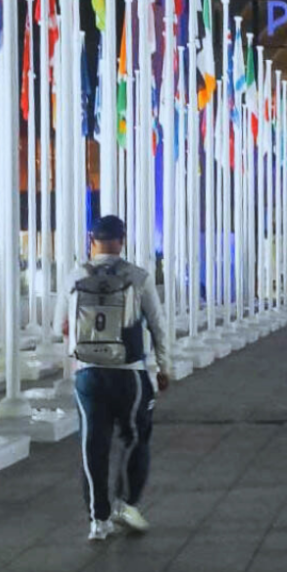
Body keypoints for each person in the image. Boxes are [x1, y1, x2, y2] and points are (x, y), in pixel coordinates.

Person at [53, 215, 171, 542]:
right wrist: (164, 367)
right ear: (122, 239)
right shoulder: (138, 277)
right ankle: (127, 503)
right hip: (130, 374)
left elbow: (59, 327)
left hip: (88, 375)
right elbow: (158, 326)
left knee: (93, 445)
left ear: (92, 239)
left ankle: (97, 521)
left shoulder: (74, 277)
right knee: (137, 437)